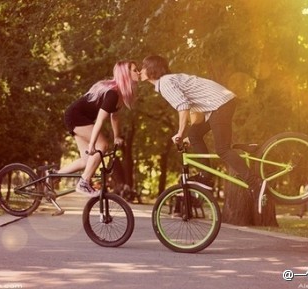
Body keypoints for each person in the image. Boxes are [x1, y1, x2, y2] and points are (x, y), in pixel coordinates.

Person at [139, 55, 263, 198]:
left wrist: (180, 133)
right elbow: (196, 116)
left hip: (220, 104)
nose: (141, 70)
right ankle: (206, 176)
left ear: (152, 69)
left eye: (143, 67)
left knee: (222, 149)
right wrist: (188, 138)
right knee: (194, 135)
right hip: (219, 104)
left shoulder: (165, 83)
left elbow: (183, 106)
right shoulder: (168, 81)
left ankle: (254, 182)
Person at [57, 60, 139, 197]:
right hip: (76, 117)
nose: (138, 72)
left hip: (80, 118)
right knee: (103, 145)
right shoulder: (112, 94)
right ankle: (84, 183)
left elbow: (115, 117)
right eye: (135, 70)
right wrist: (92, 144)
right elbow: (100, 120)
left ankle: (53, 176)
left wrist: (117, 136)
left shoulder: (119, 94)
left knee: (86, 161)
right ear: (126, 74)